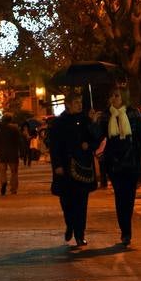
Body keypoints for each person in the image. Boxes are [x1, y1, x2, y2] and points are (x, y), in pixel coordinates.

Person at [98, 84, 141, 247]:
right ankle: (125, 232)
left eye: (117, 96)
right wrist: (94, 122)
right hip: (114, 161)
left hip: (131, 160)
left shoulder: (133, 114)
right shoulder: (106, 116)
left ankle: (126, 227)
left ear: (123, 98)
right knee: (120, 196)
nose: (114, 98)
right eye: (112, 96)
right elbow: (97, 136)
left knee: (129, 197)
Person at [48, 89, 100, 247]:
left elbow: (97, 139)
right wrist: (57, 165)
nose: (79, 105)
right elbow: (54, 146)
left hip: (82, 167)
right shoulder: (58, 123)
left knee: (81, 203)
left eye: (80, 102)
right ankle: (69, 224)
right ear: (68, 105)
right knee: (67, 202)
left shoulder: (85, 120)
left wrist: (92, 127)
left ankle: (79, 234)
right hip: (65, 169)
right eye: (76, 102)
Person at [0, 114, 21, 195]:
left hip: (1, 153)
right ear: (10, 120)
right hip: (13, 154)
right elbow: (19, 141)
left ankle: (3, 182)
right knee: (14, 172)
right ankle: (13, 189)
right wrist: (21, 151)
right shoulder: (15, 129)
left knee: (2, 171)